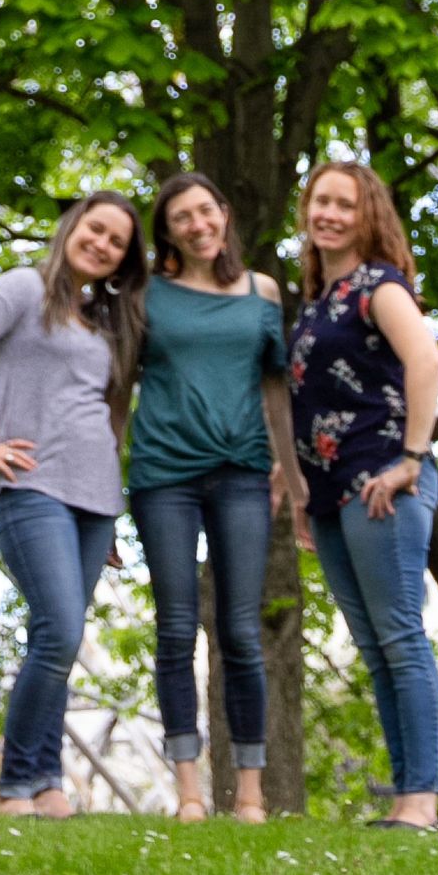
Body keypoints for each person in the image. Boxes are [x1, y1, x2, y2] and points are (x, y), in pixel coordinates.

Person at [0, 192, 147, 818]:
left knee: (61, 636)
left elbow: (105, 415)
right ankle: (17, 786)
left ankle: (49, 782)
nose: (102, 244)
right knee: (58, 626)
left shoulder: (101, 321)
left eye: (117, 242)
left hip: (95, 501)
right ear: (71, 226)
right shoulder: (23, 288)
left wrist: (107, 506)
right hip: (31, 488)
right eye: (96, 229)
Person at [128, 174, 307, 824]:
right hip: (163, 476)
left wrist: (292, 476)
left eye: (206, 210)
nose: (197, 224)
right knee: (176, 629)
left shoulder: (262, 292)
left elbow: (277, 391)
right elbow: (120, 388)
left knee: (240, 633)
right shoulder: (147, 295)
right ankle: (190, 794)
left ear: (224, 214)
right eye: (182, 218)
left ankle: (251, 797)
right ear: (168, 232)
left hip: (241, 475)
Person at [287, 160, 438, 830]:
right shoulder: (317, 298)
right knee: (376, 645)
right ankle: (407, 792)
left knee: (401, 637)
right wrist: (301, 494)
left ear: (366, 215)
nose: (328, 214)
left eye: (343, 205)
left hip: (381, 481)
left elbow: (426, 362)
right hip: (329, 494)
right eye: (320, 202)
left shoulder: (378, 285)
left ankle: (421, 801)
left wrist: (410, 459)